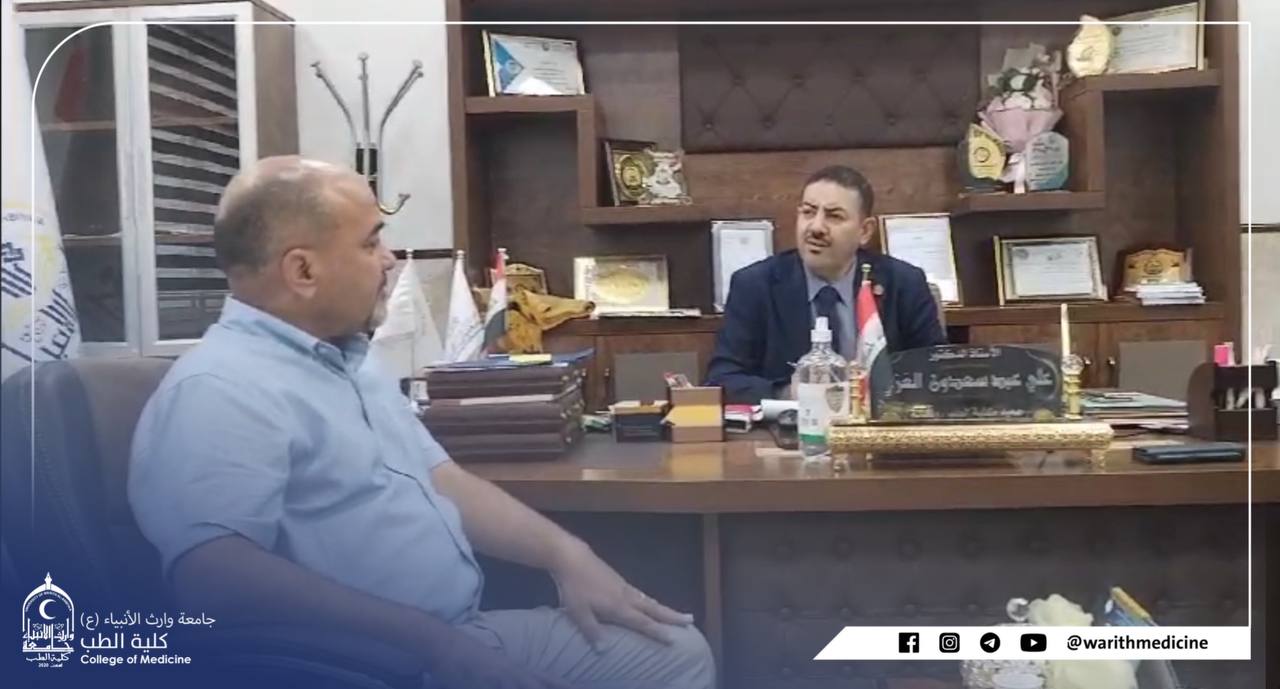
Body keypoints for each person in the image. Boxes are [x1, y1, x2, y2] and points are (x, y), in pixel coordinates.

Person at [128, 156, 714, 689]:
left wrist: (566, 555)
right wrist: (434, 645)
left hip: (450, 634)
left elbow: (440, 478)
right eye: (371, 243)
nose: (389, 260)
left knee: (672, 655)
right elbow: (213, 578)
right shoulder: (221, 388)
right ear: (302, 270)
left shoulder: (345, 360)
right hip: (360, 662)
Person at [705, 165, 947, 403]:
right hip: (791, 426)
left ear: (864, 231)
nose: (816, 227)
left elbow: (936, 375)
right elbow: (722, 380)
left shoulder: (904, 284)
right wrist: (788, 393)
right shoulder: (755, 286)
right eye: (808, 212)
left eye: (834, 216)